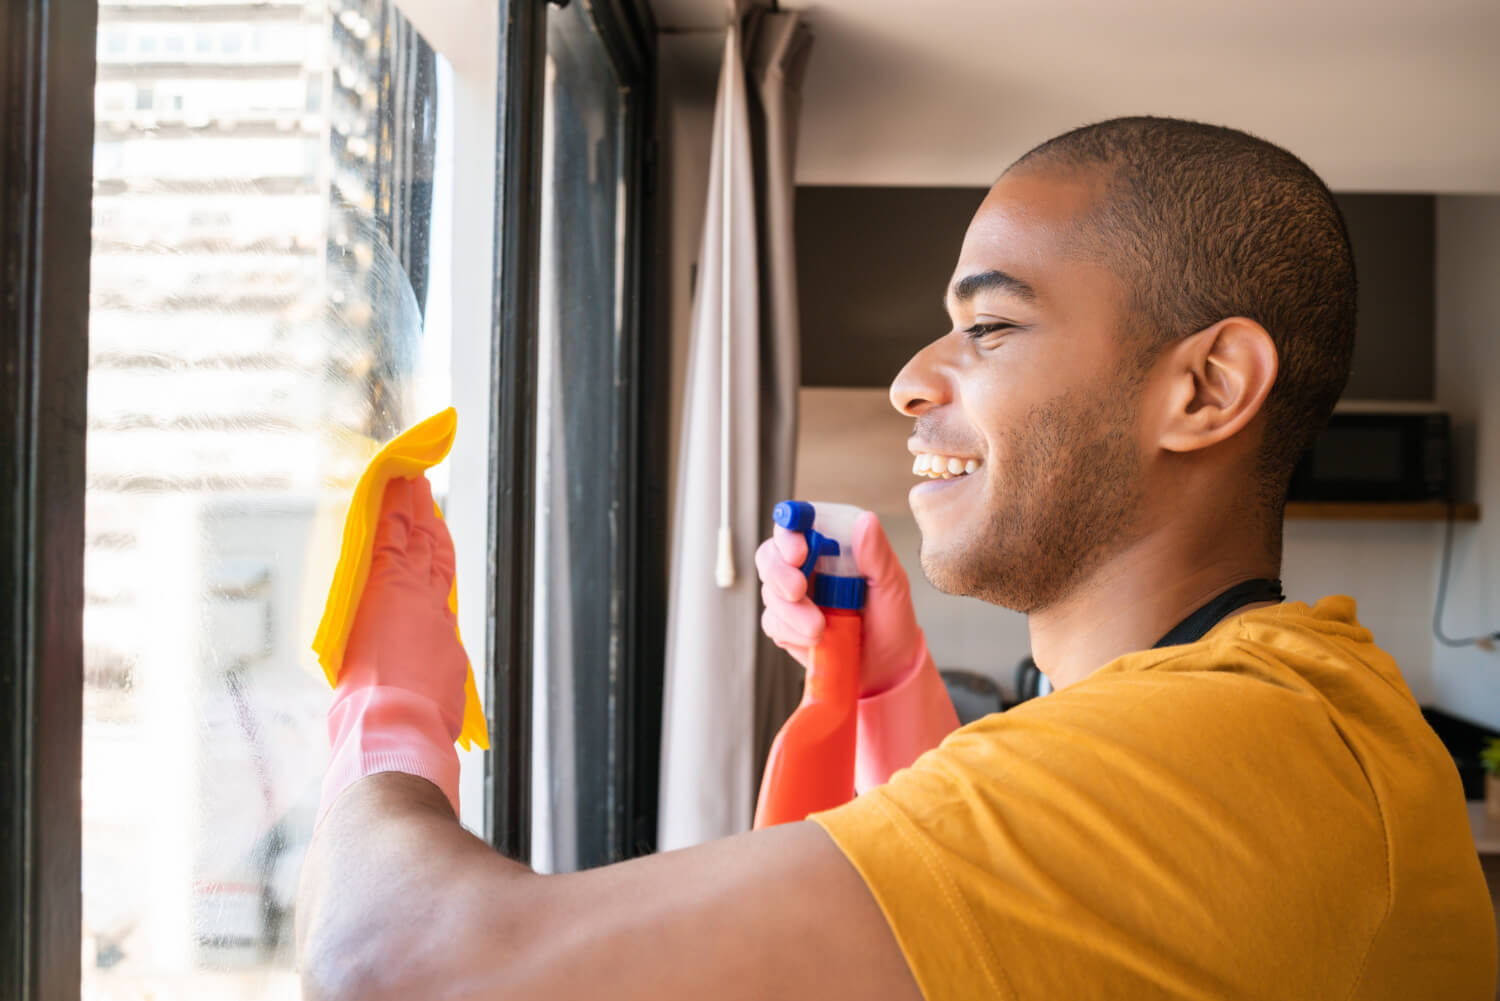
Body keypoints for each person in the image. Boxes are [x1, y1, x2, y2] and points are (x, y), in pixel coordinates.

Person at [295, 116, 1497, 1000]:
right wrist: (890, 688)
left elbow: (402, 967)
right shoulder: (1265, 716)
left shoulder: (1235, 749)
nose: (914, 377)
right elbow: (995, 929)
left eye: (991, 325)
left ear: (1205, 387)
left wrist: (391, 704)